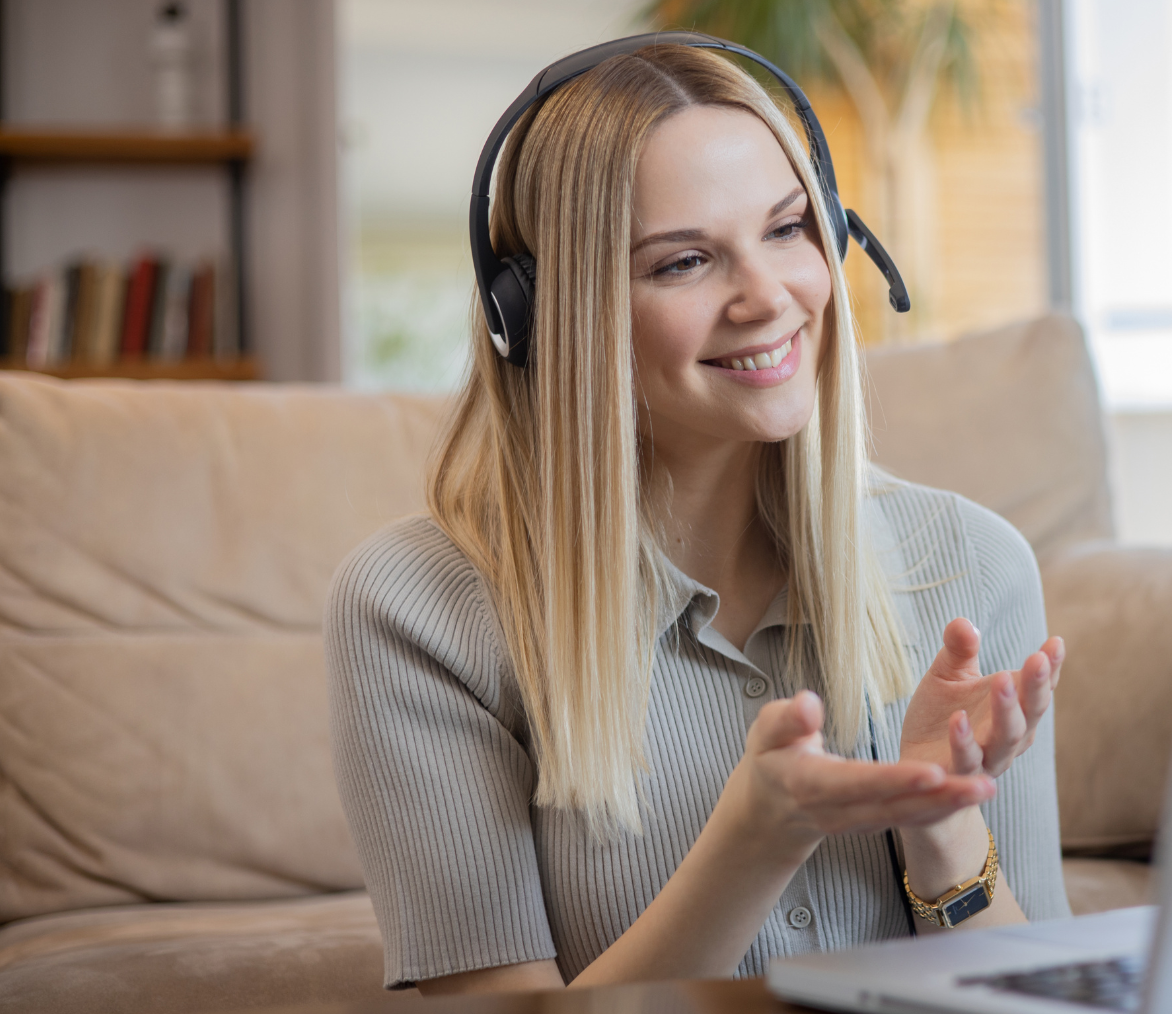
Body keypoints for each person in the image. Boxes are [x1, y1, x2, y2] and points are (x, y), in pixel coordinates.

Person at [324, 42, 1068, 996]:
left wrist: (942, 822)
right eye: (683, 262)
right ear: (545, 317)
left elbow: (1050, 993)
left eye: (789, 229)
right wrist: (757, 839)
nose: (768, 297)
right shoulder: (415, 611)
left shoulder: (973, 565)